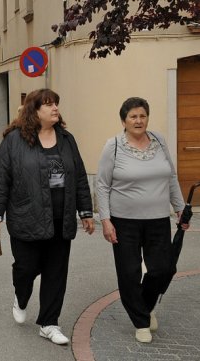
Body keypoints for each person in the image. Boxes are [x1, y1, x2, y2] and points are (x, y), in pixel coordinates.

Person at [0, 89, 94, 345]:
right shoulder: (15, 141)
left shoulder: (66, 139)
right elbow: (1, 179)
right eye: (48, 104)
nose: (55, 108)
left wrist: (86, 211)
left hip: (60, 218)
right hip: (26, 216)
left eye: (56, 103)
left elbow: (78, 176)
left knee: (56, 272)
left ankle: (49, 323)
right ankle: (21, 296)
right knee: (26, 268)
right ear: (34, 111)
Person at [96, 97, 188, 343]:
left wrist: (180, 208)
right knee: (129, 272)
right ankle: (141, 322)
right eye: (133, 117)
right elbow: (102, 185)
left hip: (158, 219)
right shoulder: (113, 145)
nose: (138, 121)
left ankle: (145, 307)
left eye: (142, 116)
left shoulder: (159, 141)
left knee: (163, 268)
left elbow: (171, 177)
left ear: (148, 117)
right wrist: (105, 219)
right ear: (124, 121)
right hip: (123, 221)